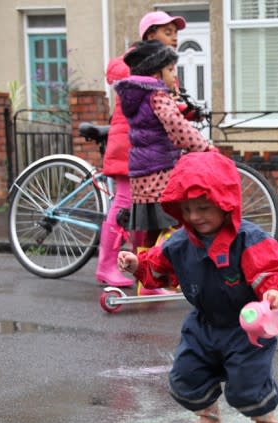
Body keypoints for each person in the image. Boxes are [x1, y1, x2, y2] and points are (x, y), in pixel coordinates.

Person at [117, 151, 278, 423]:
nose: (194, 216)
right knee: (187, 375)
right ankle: (209, 418)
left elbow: (277, 270)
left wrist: (275, 292)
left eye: (204, 208)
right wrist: (137, 265)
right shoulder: (180, 242)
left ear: (225, 204)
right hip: (203, 323)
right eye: (187, 209)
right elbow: (159, 266)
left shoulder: (249, 240)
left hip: (248, 328)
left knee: (247, 383)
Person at [94, 11, 187, 287]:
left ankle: (141, 263)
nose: (174, 38)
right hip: (131, 145)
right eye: (168, 32)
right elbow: (139, 88)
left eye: (176, 33)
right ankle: (106, 265)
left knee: (144, 208)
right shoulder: (137, 63)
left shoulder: (161, 65)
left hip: (148, 146)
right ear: (150, 36)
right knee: (123, 204)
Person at [114, 39, 214, 294]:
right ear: (156, 72)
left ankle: (145, 281)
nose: (174, 75)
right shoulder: (158, 95)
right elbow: (176, 126)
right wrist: (205, 148)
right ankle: (164, 278)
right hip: (161, 170)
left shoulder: (136, 96)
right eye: (171, 70)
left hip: (140, 172)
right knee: (174, 225)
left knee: (150, 231)